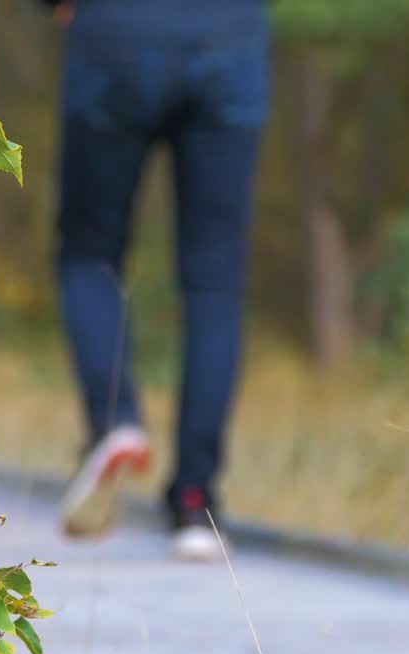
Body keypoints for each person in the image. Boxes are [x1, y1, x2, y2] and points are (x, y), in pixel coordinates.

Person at [46, 0, 271, 560]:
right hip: (229, 42)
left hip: (116, 37)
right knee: (215, 281)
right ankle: (195, 501)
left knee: (89, 255)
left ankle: (114, 421)